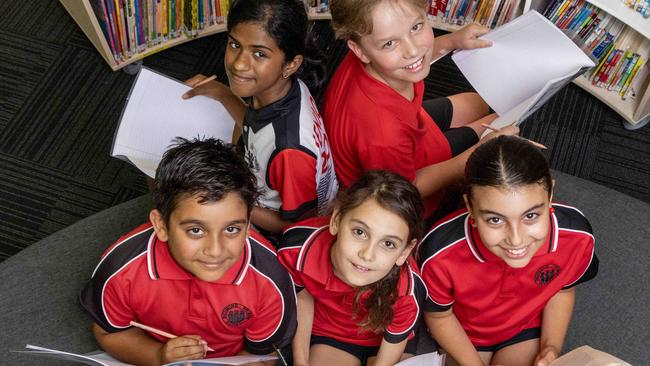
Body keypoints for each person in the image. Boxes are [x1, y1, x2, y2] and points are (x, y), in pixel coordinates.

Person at [79, 138, 296, 366]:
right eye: (195, 230)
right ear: (161, 226)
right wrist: (158, 356)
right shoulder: (120, 270)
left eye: (232, 229)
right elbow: (109, 332)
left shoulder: (271, 281)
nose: (215, 250)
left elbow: (263, 357)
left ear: (249, 223)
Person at [323, 0, 518, 222]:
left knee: (477, 104)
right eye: (390, 44)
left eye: (416, 27)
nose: (413, 50)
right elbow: (407, 188)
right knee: (504, 123)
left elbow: (406, 50)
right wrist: (477, 153)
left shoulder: (372, 47)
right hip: (401, 189)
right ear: (359, 51)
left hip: (407, 129)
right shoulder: (383, 136)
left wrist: (451, 41)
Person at [418, 136, 599, 366]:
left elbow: (562, 290)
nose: (516, 239)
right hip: (465, 335)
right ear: (470, 208)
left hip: (525, 328)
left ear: (550, 195)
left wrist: (550, 348)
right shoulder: (437, 253)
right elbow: (439, 315)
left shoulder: (577, 236)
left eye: (531, 216)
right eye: (495, 219)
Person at [183, 0, 337, 236]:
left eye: (259, 53)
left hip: (272, 233)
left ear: (291, 64)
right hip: (259, 188)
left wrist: (231, 200)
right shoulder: (284, 89)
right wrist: (222, 94)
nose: (239, 63)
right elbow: (256, 125)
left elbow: (298, 226)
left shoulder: (289, 150)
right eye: (235, 44)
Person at [277, 170, 427, 366]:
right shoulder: (296, 250)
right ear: (337, 219)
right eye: (359, 232)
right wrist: (301, 362)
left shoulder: (408, 289)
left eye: (388, 244)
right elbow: (302, 299)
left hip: (384, 342)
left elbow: (393, 344)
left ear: (405, 252)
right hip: (331, 336)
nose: (367, 254)